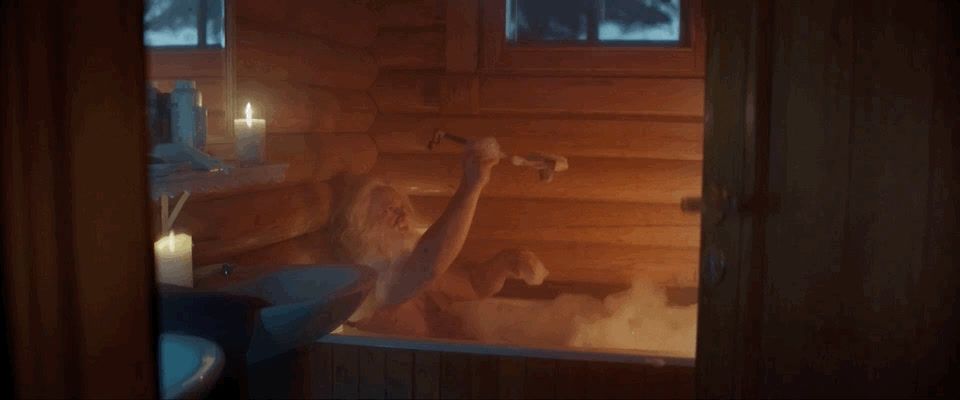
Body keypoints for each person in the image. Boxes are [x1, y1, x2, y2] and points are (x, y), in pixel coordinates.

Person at [329, 138, 548, 338]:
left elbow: (473, 286)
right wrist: (471, 186)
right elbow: (428, 266)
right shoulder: (370, 285)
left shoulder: (405, 260)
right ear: (361, 225)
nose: (404, 215)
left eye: (402, 207)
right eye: (390, 210)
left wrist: (507, 262)